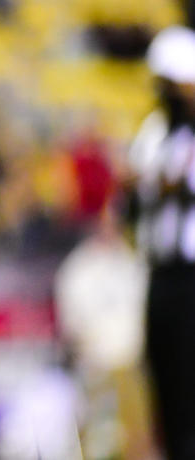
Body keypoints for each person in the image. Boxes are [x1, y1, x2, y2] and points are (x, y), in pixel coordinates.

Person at [126, 25, 195, 459]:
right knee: (165, 384)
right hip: (160, 275)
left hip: (192, 278)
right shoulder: (154, 132)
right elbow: (138, 186)